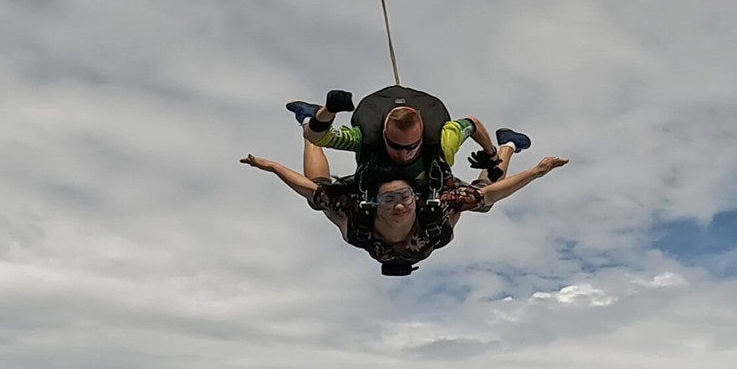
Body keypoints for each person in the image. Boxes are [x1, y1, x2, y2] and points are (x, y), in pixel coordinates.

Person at [240, 140, 568, 276]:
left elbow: (309, 190)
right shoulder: (433, 216)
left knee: (324, 197)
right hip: (437, 209)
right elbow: (493, 194)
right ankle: (508, 144)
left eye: (401, 199)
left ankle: (310, 130)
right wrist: (537, 172)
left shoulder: (359, 222)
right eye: (391, 201)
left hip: (362, 215)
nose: (398, 207)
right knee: (479, 199)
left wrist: (272, 167)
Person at [286, 86, 531, 188]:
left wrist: (490, 155)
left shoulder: (444, 140)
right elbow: (318, 137)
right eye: (396, 146)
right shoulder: (365, 137)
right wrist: (327, 112)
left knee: (483, 198)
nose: (404, 153)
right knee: (319, 194)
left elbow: (473, 124)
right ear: (384, 134)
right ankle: (309, 114)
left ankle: (508, 144)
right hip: (378, 186)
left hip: (429, 183)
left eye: (411, 147)